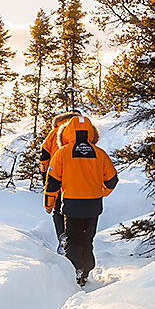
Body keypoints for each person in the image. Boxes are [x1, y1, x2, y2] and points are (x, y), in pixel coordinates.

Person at [43, 115, 117, 286]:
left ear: (67, 133)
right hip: (93, 205)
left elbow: (52, 181)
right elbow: (112, 180)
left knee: (73, 239)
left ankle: (76, 271)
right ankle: (87, 269)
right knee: (87, 239)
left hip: (72, 204)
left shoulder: (62, 153)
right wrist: (101, 192)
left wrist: (49, 203)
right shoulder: (100, 153)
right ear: (91, 133)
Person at [39, 110, 83, 254]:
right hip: (75, 177)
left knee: (57, 209)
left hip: (55, 175)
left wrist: (44, 176)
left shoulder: (53, 133)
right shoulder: (80, 134)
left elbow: (44, 155)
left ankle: (63, 236)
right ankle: (76, 239)